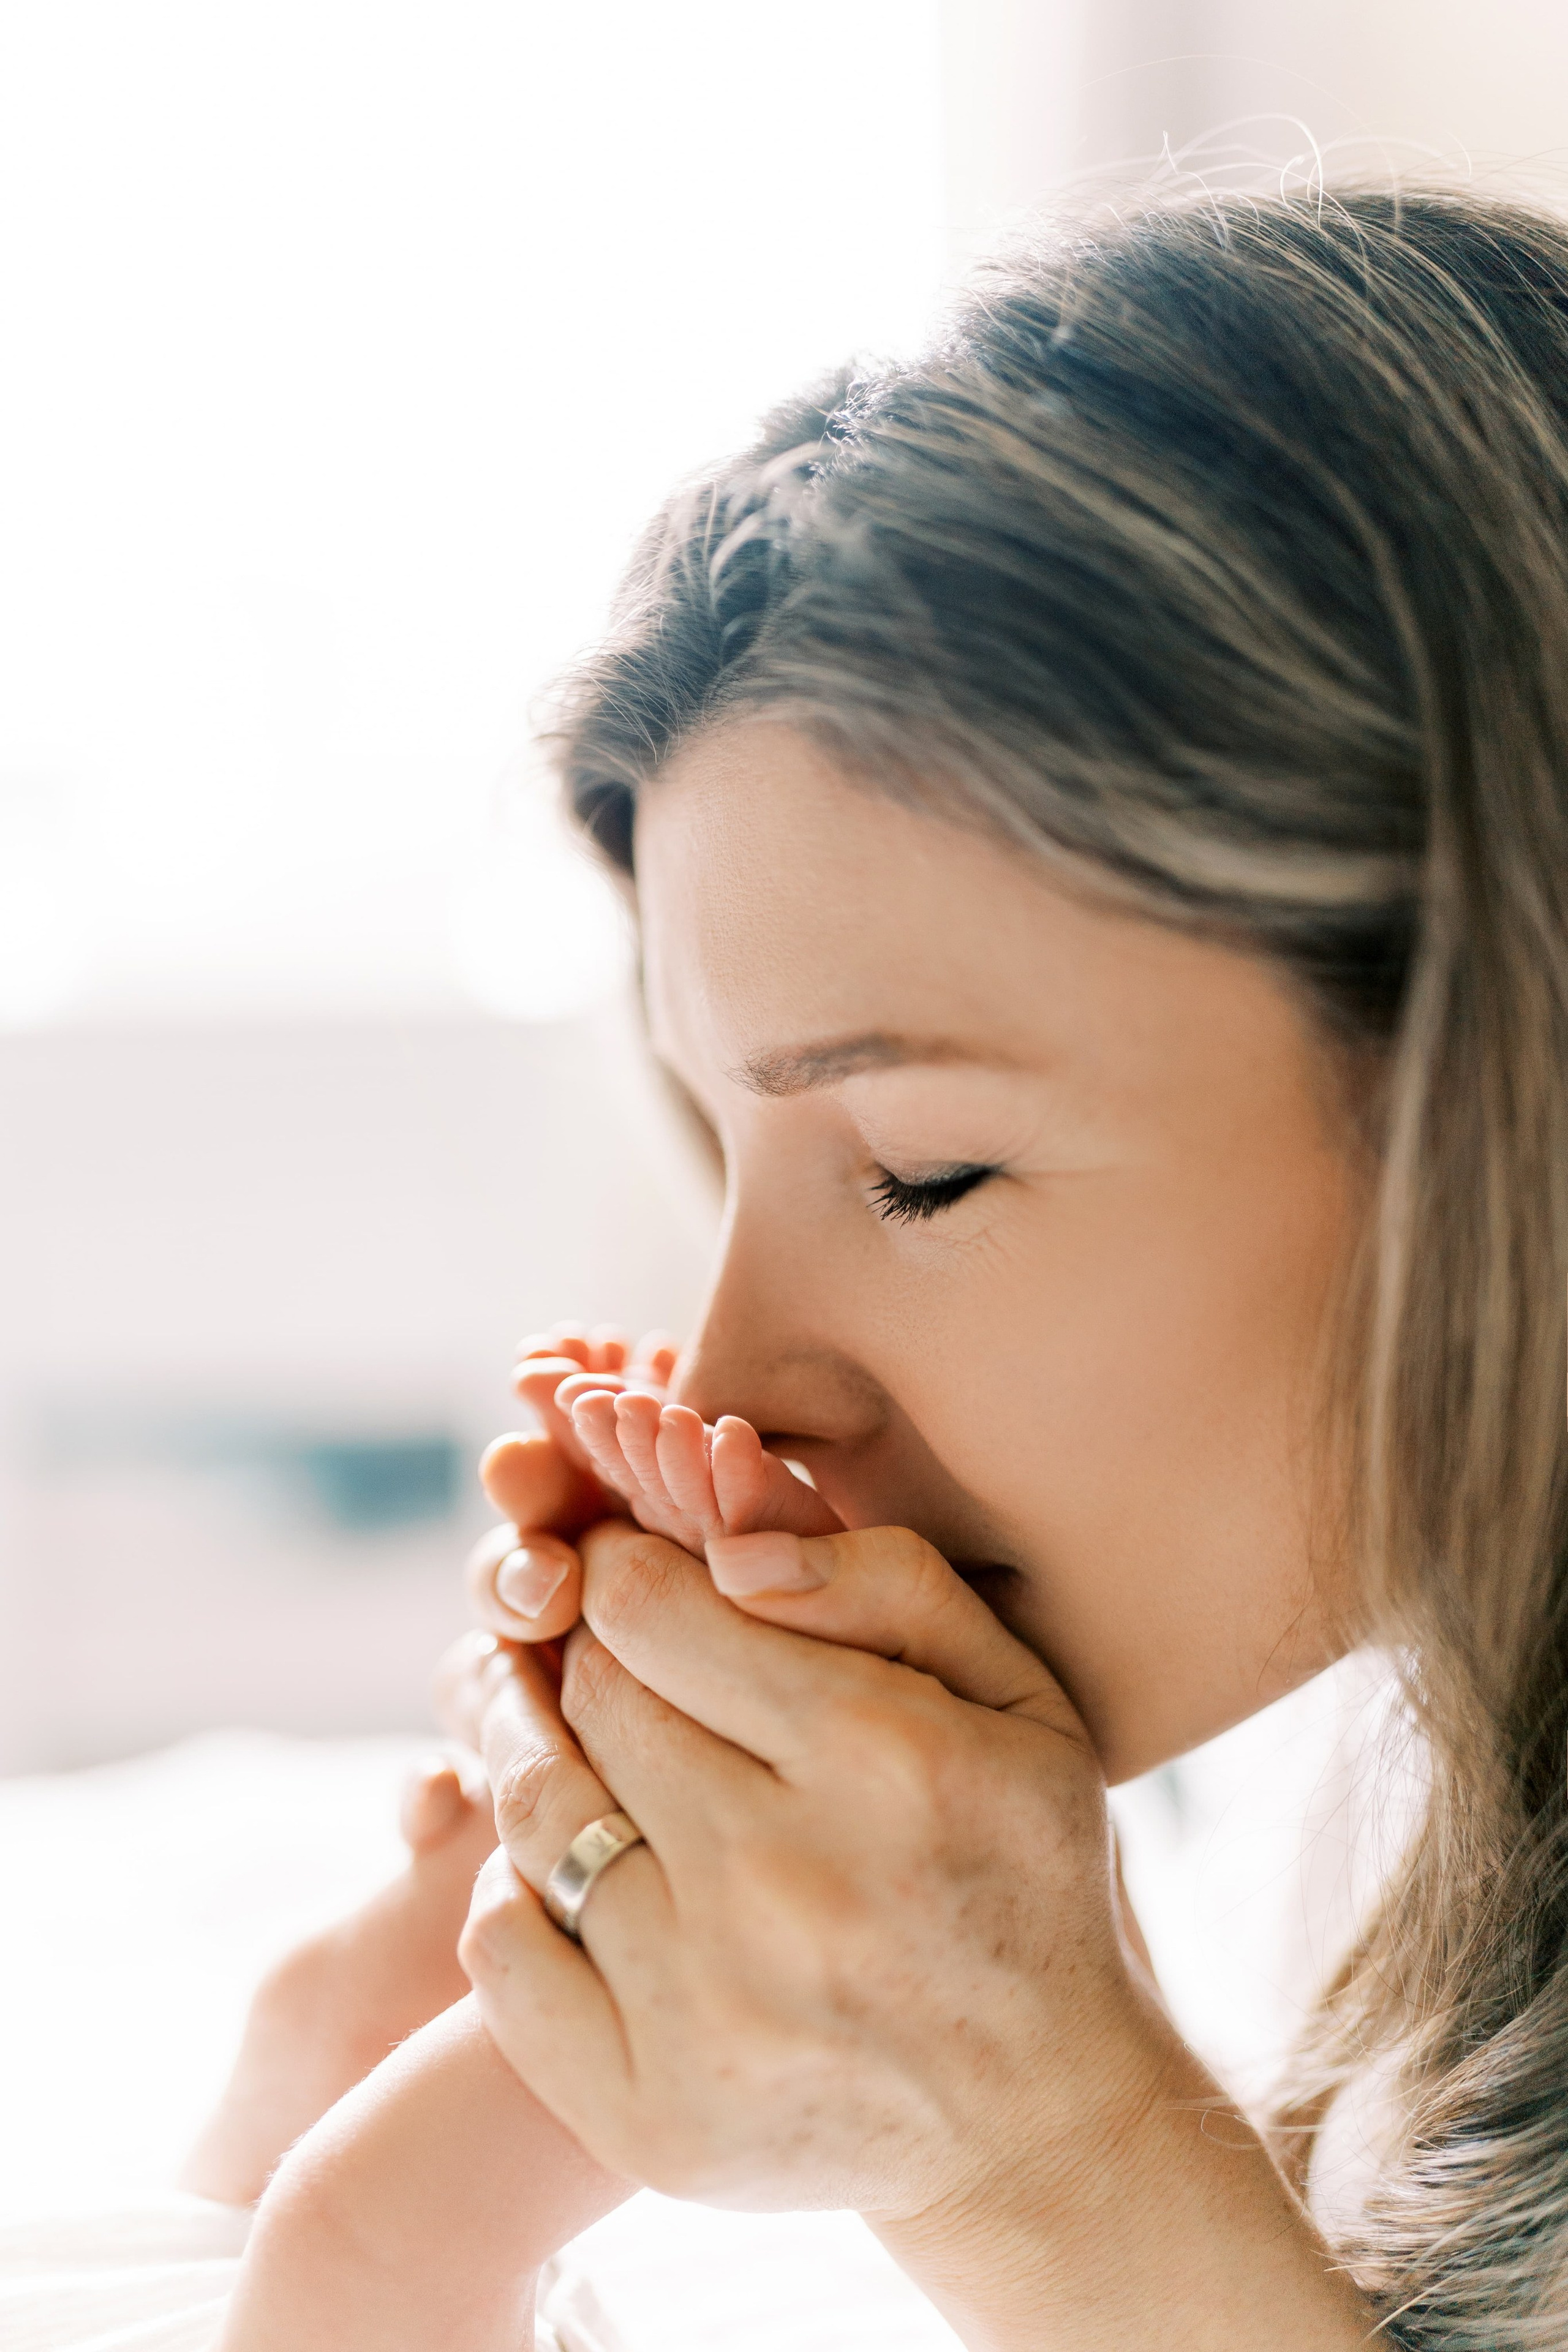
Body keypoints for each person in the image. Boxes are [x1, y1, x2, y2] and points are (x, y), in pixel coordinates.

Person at [23, 176, 1567, 2348]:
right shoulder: (1381, 1730)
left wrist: (1033, 2141)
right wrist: (357, 2108)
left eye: (924, 1175)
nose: (736, 1372)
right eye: (721, 1147)